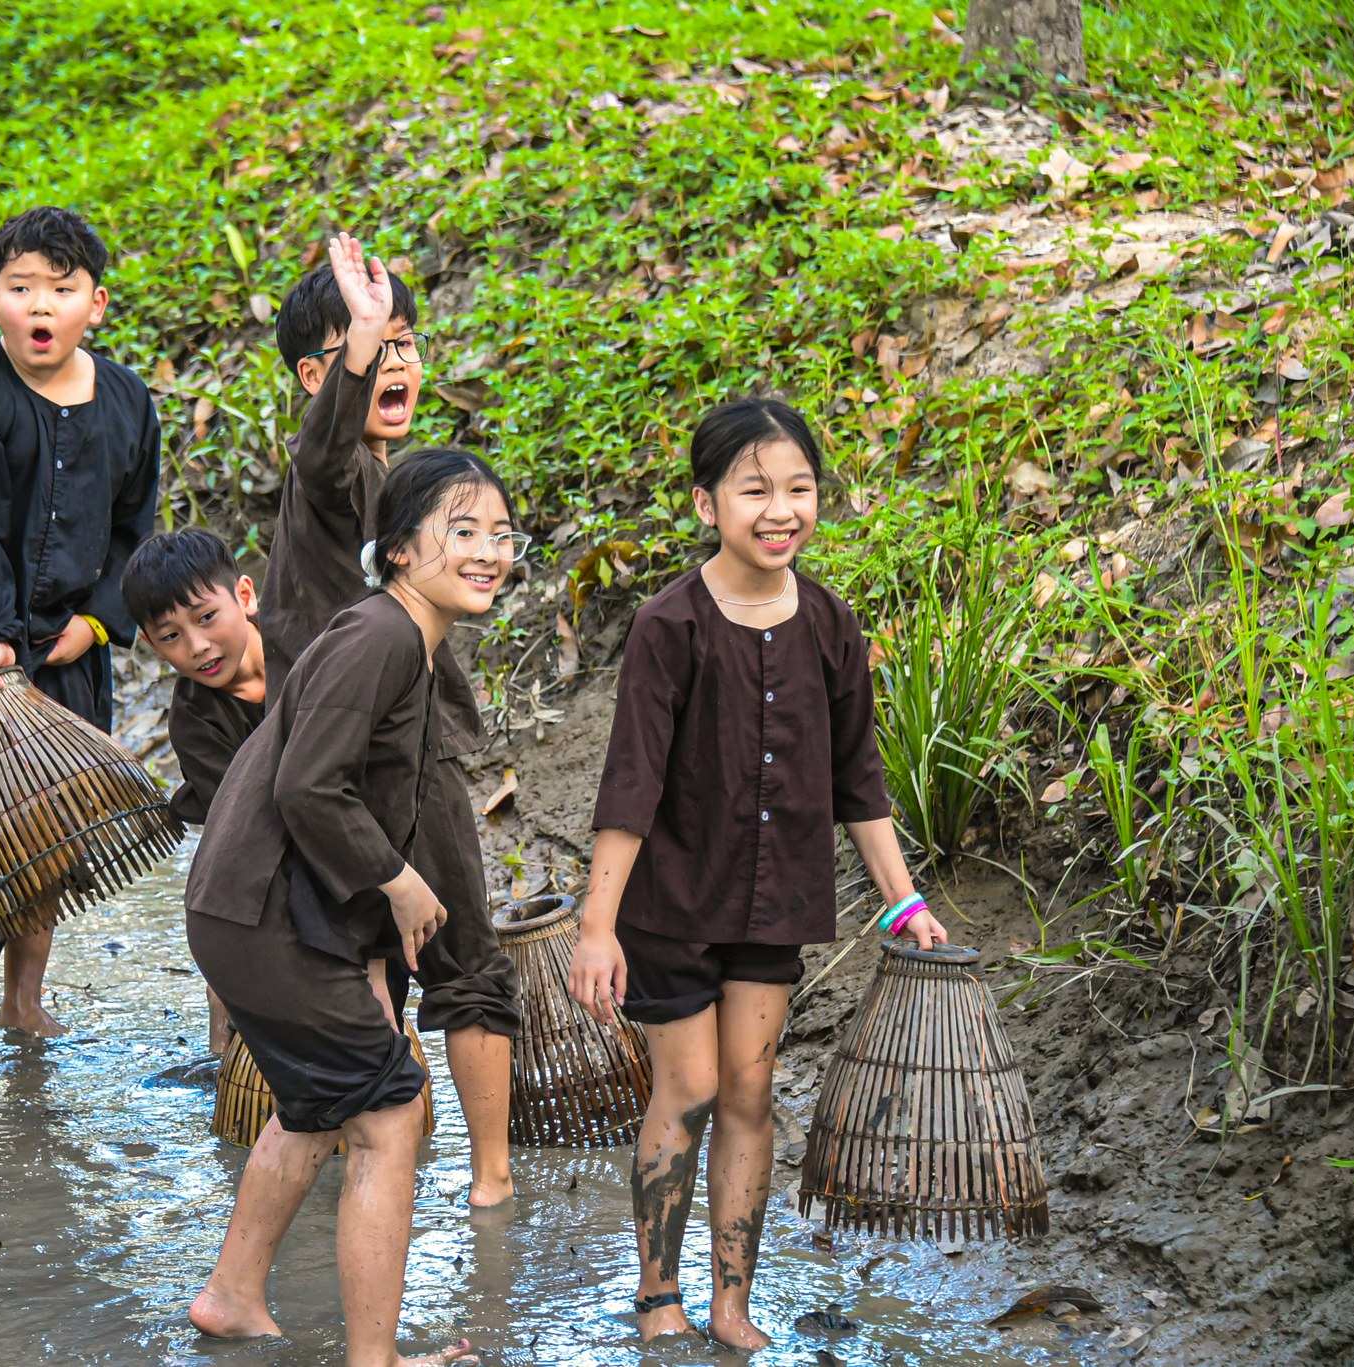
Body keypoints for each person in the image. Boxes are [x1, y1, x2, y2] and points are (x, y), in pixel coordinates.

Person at [567, 399, 946, 1349]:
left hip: (774, 900)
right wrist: (596, 925)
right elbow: (630, 786)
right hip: (671, 902)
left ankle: (731, 1299)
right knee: (688, 1087)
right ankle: (659, 1296)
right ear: (707, 504)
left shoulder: (829, 621)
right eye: (755, 490)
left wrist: (903, 901)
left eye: (799, 489)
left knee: (750, 1093)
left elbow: (860, 776)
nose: (781, 510)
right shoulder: (669, 625)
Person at [185, 448, 520, 1367]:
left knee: (316, 1102)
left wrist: (368, 947)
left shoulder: (402, 639)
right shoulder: (380, 635)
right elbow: (310, 788)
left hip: (254, 910)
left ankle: (232, 1293)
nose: (489, 550)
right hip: (262, 914)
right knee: (389, 1111)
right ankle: (374, 1361)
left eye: (500, 533)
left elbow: (356, 797)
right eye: (463, 531)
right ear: (401, 550)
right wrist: (401, 882)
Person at [259, 232, 519, 1208]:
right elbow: (325, 440)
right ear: (315, 375)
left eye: (406, 341)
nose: (396, 362)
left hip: (416, 765)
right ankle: (377, 1169)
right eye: (372, 347)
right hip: (335, 781)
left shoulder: (397, 488)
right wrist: (359, 338)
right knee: (360, 964)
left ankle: (489, 1186)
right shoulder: (328, 476)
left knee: (464, 961)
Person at [0, 206, 160, 1049]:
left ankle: (23, 997)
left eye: (61, 289)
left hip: (67, 644)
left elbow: (134, 529)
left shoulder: (127, 401)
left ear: (98, 304)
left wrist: (97, 624)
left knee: (47, 824)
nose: (41, 307)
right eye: (21, 289)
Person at [121, 527, 267, 1053]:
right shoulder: (193, 720)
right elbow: (246, 823)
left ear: (245, 596)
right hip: (253, 846)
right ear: (150, 644)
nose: (198, 646)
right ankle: (223, 1031)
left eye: (207, 618)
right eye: (171, 636)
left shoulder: (306, 651)